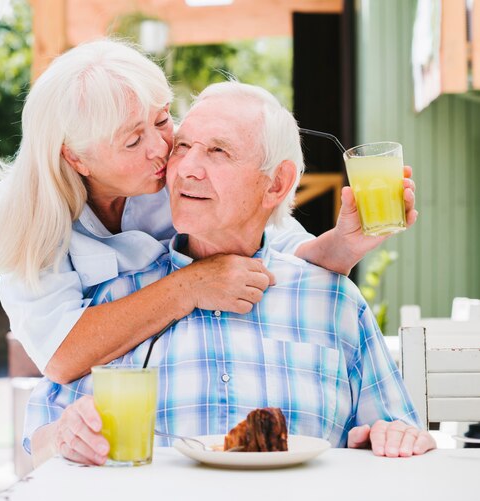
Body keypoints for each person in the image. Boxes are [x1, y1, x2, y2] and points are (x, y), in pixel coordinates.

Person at [23, 82, 435, 467]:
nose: (186, 169)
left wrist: (393, 437)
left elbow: (400, 432)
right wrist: (64, 434)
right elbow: (37, 442)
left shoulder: (333, 300)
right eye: (182, 147)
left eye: (218, 151)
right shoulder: (118, 301)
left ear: (276, 185)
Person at [0, 39, 418, 385]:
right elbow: (61, 356)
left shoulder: (183, 164)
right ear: (77, 158)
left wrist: (343, 244)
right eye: (132, 140)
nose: (164, 149)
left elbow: (276, 247)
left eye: (163, 120)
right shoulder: (28, 219)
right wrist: (190, 286)